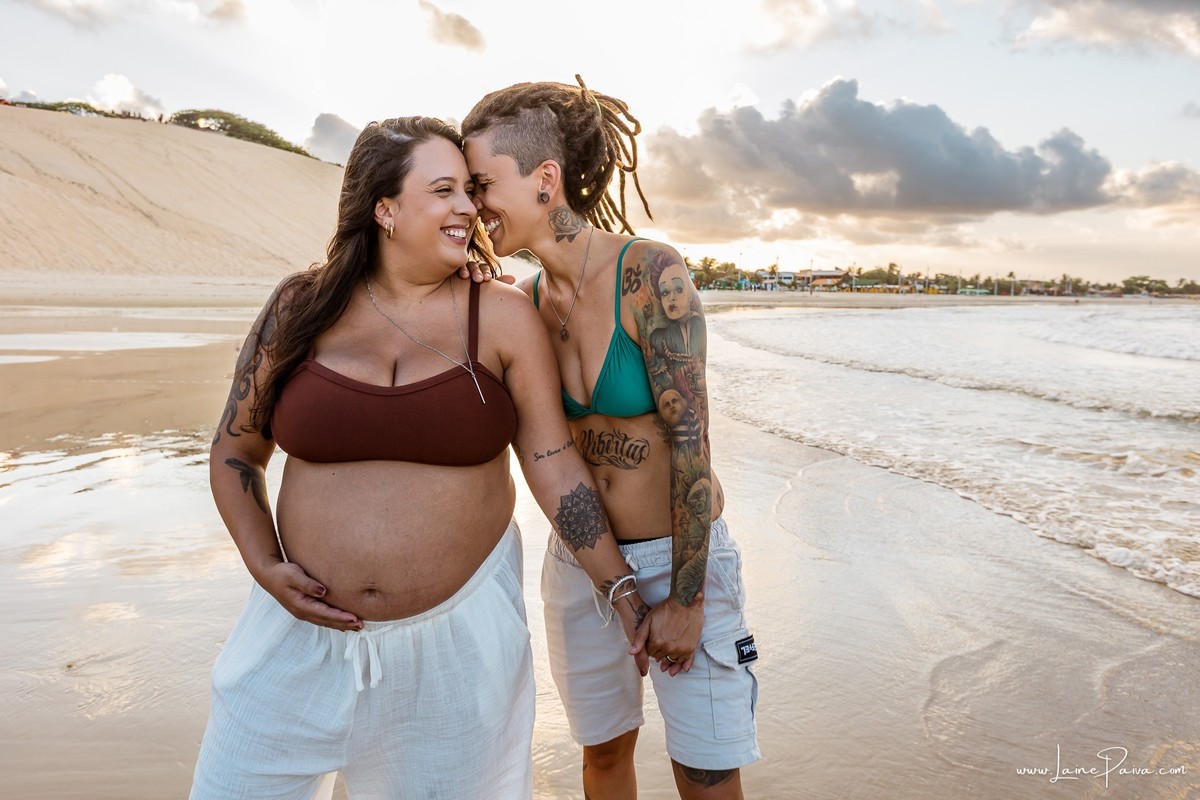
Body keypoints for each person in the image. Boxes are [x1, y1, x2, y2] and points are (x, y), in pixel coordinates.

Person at [191, 116, 651, 800]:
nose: (469, 207)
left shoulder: (498, 314)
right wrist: (263, 564)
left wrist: (619, 586)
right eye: (444, 190)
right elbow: (236, 450)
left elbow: (553, 462)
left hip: (456, 658)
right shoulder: (299, 307)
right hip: (292, 643)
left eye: (470, 190)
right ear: (384, 207)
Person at [461, 79, 760, 800]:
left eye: (482, 184)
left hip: (682, 556)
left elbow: (692, 443)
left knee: (706, 772)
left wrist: (686, 598)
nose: (472, 205)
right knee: (601, 759)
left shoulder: (650, 274)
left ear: (545, 180)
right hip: (585, 565)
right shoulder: (519, 304)